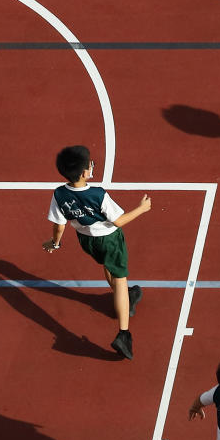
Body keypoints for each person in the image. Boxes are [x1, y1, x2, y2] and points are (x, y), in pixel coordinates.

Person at [42, 145, 150, 359]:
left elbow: (59, 225)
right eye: (90, 164)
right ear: (84, 173)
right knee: (121, 279)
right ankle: (123, 334)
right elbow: (118, 221)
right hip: (110, 240)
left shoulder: (60, 193)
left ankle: (126, 299)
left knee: (107, 265)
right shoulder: (97, 194)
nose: (92, 165)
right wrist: (141, 209)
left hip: (86, 241)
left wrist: (55, 243)